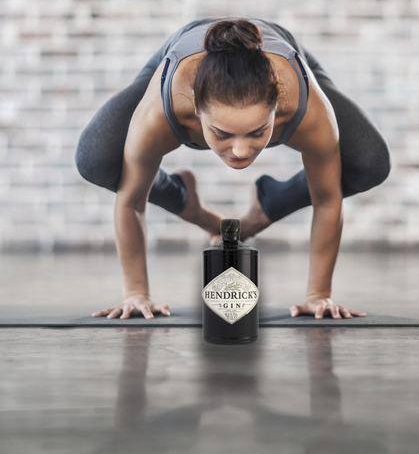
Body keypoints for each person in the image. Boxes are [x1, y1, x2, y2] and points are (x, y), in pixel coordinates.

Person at [75, 18, 390, 320]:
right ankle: (189, 203)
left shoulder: (308, 110)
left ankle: (269, 203)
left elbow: (327, 199)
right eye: (222, 134)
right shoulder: (161, 111)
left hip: (280, 52)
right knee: (96, 159)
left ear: (278, 109)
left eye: (257, 132)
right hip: (182, 48)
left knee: (369, 163)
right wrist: (136, 294)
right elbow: (131, 201)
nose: (240, 151)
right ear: (196, 112)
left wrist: (318, 294)